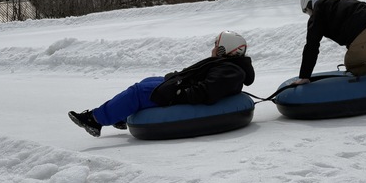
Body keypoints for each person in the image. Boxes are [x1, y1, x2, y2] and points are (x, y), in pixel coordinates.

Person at [68, 31, 254, 137]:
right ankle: (120, 115)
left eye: (216, 45)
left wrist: (180, 92)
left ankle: (95, 120)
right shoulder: (229, 66)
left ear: (224, 49)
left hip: (183, 92)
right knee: (148, 81)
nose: (213, 49)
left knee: (138, 91)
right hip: (183, 84)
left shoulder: (230, 71)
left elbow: (208, 90)